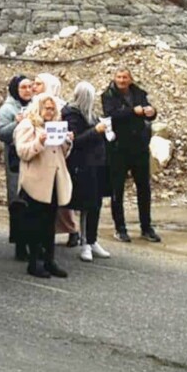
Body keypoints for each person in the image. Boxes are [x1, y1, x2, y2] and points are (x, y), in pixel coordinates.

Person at [14, 94, 73, 278]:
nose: (50, 111)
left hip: (54, 180)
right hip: (35, 181)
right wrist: (39, 142)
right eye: (47, 108)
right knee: (35, 223)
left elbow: (62, 153)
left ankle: (50, 260)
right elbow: (22, 152)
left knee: (50, 223)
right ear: (38, 108)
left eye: (52, 108)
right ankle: (35, 262)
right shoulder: (27, 125)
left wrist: (67, 141)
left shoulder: (56, 125)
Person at [101, 67, 161, 243]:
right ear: (114, 78)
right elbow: (111, 114)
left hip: (139, 148)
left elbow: (147, 113)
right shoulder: (108, 95)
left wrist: (152, 112)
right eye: (119, 77)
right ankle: (120, 228)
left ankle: (146, 227)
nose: (122, 80)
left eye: (125, 77)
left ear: (130, 79)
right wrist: (133, 112)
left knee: (144, 188)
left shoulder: (139, 93)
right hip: (118, 148)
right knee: (117, 189)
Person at [63, 81, 112, 262]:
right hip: (82, 166)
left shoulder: (91, 115)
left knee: (96, 205)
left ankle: (92, 240)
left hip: (97, 165)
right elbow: (76, 141)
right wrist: (95, 131)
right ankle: (85, 242)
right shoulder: (71, 115)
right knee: (86, 205)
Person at [0, 75, 36, 261]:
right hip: (16, 161)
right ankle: (20, 245)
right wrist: (17, 123)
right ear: (15, 90)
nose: (28, 90)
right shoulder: (7, 108)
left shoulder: (36, 105)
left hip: (35, 160)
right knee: (18, 201)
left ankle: (35, 242)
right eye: (23, 87)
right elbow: (2, 133)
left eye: (30, 86)